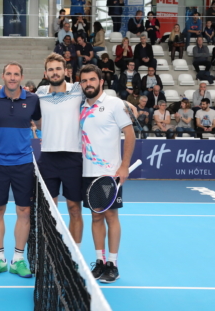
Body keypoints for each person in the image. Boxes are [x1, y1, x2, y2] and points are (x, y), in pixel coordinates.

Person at [0, 62, 40, 278]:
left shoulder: (33, 99)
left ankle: (18, 259)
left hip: (23, 163)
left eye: (16, 74)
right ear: (3, 77)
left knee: (24, 211)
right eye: (9, 74)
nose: (12, 77)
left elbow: (42, 122)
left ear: (21, 77)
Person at [78, 64, 135, 284]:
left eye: (92, 80)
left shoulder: (114, 104)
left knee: (111, 216)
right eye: (84, 81)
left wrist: (124, 166)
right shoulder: (81, 106)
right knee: (95, 216)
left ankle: (113, 264)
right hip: (87, 173)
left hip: (109, 173)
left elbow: (129, 135)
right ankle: (99, 261)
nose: (88, 84)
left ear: (101, 81)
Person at [36, 53, 85, 248]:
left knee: (74, 209)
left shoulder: (78, 90)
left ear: (66, 71)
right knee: (49, 209)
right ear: (45, 73)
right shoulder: (39, 92)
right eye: (51, 69)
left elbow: (101, 97)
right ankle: (52, 251)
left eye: (58, 69)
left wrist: (125, 103)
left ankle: (75, 255)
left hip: (73, 157)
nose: (55, 73)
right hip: (48, 157)